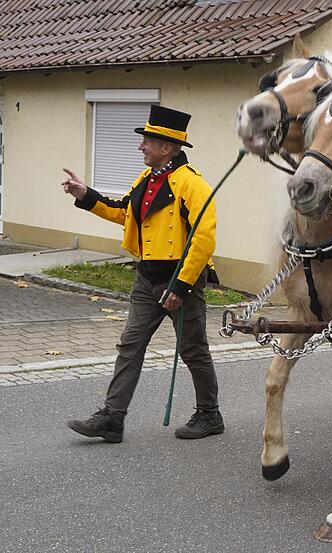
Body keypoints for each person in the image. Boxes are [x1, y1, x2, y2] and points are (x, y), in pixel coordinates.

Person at [61, 105, 223, 443]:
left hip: (180, 281)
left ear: (166, 146)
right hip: (146, 278)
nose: (141, 147)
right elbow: (123, 212)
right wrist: (86, 195)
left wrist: (181, 285)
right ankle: (112, 418)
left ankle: (209, 414)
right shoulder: (146, 180)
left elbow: (203, 240)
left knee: (193, 351)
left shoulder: (192, 185)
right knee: (130, 346)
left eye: (146, 141)